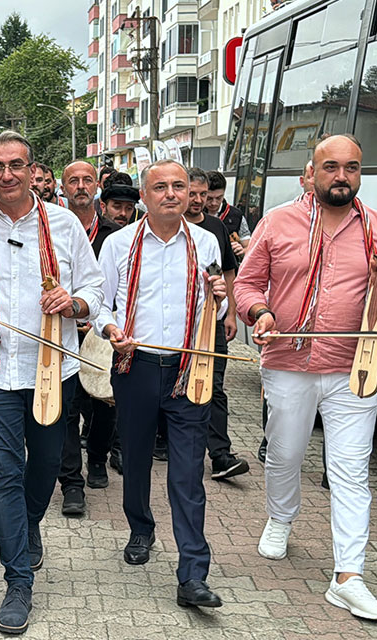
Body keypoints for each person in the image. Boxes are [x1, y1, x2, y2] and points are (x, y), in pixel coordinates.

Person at [233, 135, 377, 622]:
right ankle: (281, 516)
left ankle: (348, 576)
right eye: (331, 167)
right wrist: (261, 313)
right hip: (288, 363)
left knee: (351, 472)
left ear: (360, 174)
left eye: (352, 168)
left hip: (354, 366)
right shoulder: (278, 221)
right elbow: (247, 285)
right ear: (311, 173)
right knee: (285, 455)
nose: (342, 176)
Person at [0, 131, 103, 636]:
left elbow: (94, 286)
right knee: (6, 474)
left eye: (17, 164)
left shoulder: (64, 225)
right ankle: (17, 580)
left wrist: (75, 305)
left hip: (53, 366)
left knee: (48, 465)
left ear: (33, 171)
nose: (7, 174)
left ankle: (29, 525)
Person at [96, 159, 228, 610]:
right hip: (136, 366)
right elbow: (101, 304)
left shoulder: (208, 242)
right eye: (161, 187)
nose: (172, 194)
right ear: (145, 195)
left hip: (190, 369)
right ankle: (140, 528)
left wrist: (220, 304)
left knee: (188, 473)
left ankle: (193, 573)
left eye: (179, 186)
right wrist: (111, 330)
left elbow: (219, 314)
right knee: (134, 460)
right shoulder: (118, 244)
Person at [54, 161, 122, 517]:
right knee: (68, 408)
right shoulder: (51, 228)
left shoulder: (115, 233)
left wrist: (97, 318)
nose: (80, 186)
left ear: (97, 186)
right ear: (62, 187)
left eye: (87, 180)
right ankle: (71, 483)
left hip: (103, 331)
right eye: (73, 181)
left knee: (103, 402)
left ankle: (97, 459)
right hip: (62, 331)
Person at [180, 168, 249, 480]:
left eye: (202, 195)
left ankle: (220, 454)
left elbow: (228, 274)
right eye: (191, 194)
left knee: (215, 387)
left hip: (212, 321)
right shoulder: (167, 226)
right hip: (176, 326)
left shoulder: (216, 227)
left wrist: (231, 313)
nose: (198, 201)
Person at [205, 170, 250, 258]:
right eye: (209, 198)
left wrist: (241, 250)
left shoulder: (236, 215)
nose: (214, 203)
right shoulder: (194, 213)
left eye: (219, 198)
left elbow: (249, 247)